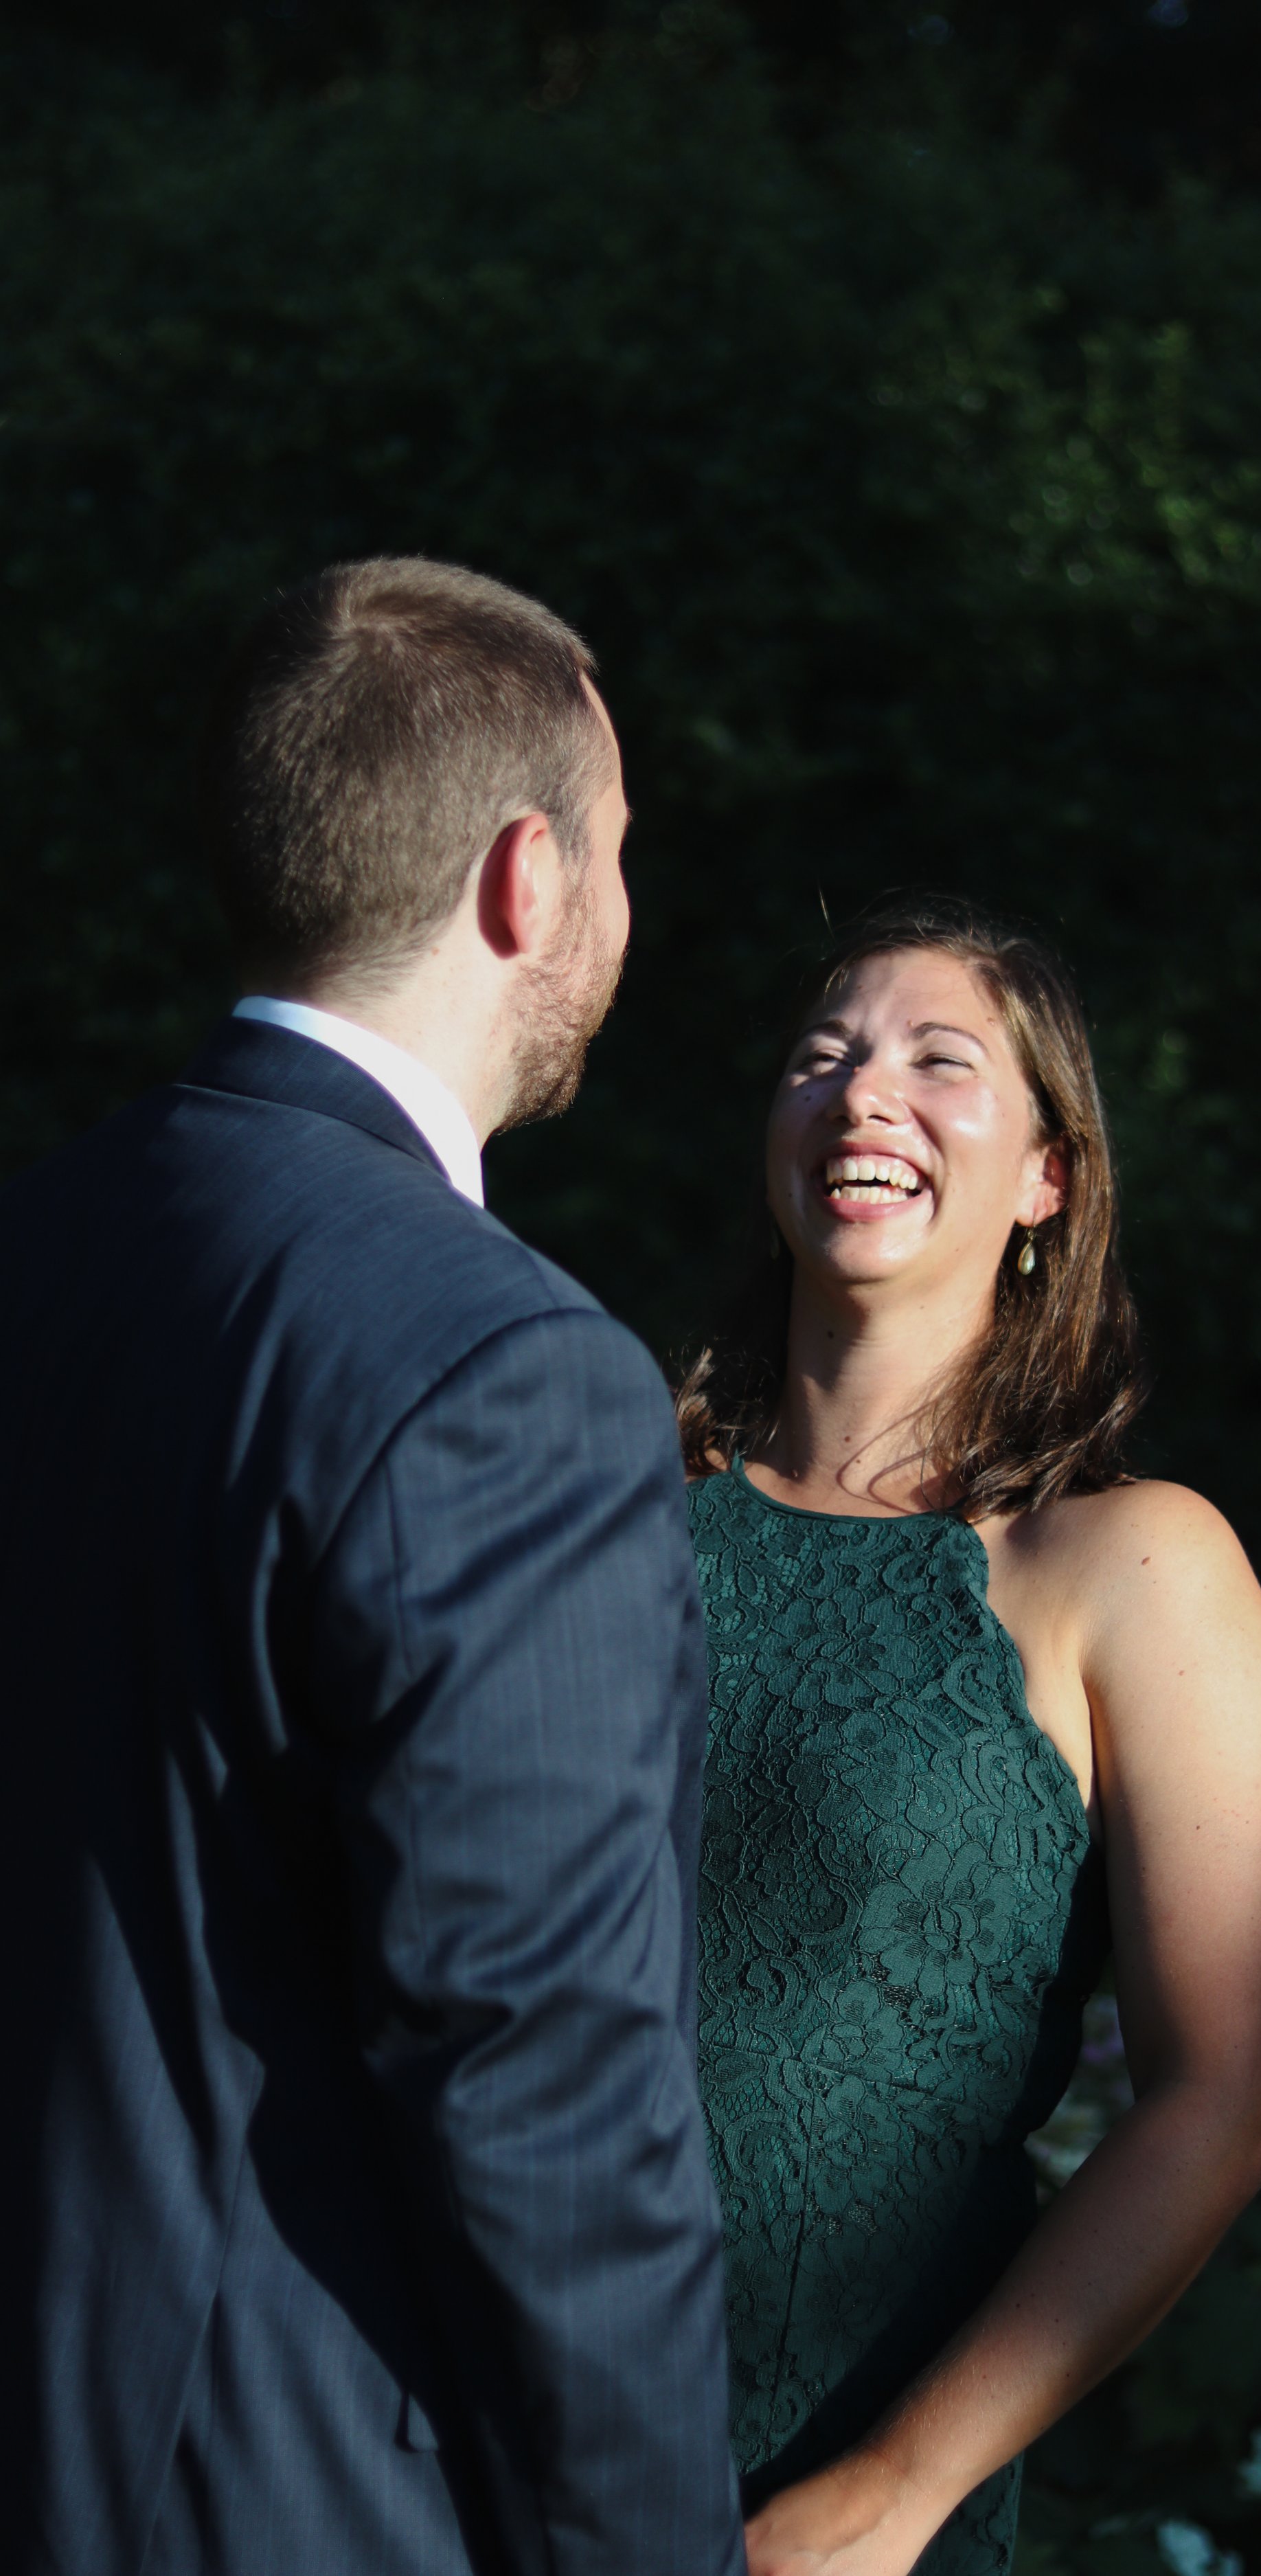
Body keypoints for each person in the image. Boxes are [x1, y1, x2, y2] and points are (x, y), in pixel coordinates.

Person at [0, 558, 743, 2576]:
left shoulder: (45, 1242)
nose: (621, 908)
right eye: (619, 852)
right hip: (291, 2495)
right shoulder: (506, 1367)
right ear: (527, 881)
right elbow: (551, 2105)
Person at [679, 901, 1261, 2576]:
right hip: (460, 2426)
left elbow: (1221, 2101)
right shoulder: (599, 1511)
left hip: (830, 2500)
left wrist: (892, 2494)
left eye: (935, 1062)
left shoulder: (1131, 1569)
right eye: (821, 1056)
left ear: (1050, 1178)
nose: (860, 1091)